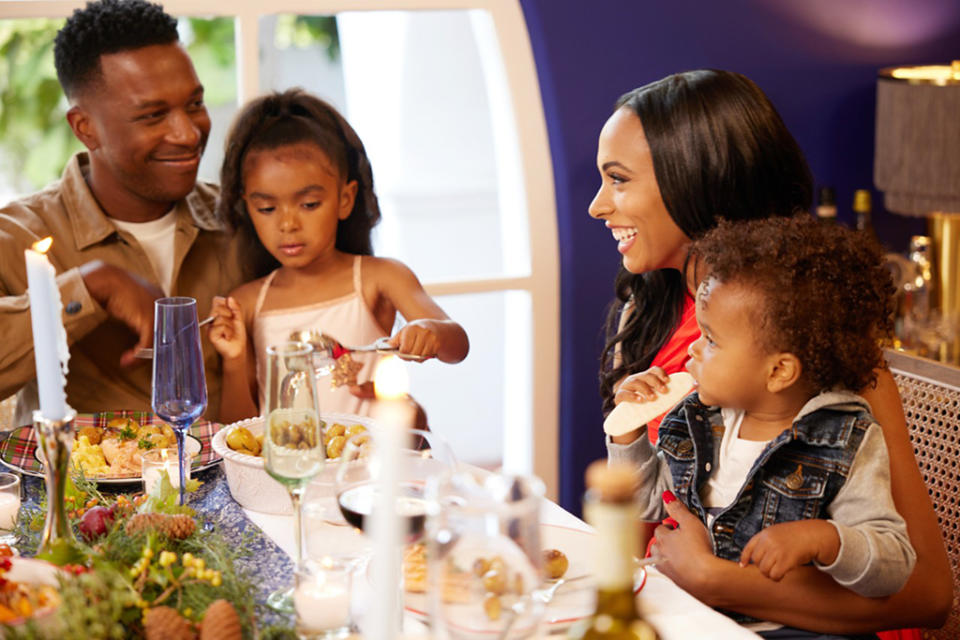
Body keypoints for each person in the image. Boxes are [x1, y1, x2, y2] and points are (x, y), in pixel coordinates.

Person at [590, 69, 951, 634]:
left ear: (697, 179)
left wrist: (718, 581)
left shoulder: (813, 341)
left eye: (618, 180)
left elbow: (927, 595)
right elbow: (652, 537)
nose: (597, 206)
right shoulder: (647, 317)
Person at [613, 216, 915, 638]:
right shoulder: (695, 419)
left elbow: (894, 565)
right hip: (695, 622)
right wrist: (627, 432)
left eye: (711, 340)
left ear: (778, 371)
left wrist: (825, 538)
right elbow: (647, 504)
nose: (693, 349)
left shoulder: (845, 440)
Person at [0, 0, 243, 423]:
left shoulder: (244, 222)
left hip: (235, 486)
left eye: (194, 104)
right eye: (153, 116)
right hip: (79, 488)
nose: (188, 134)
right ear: (84, 128)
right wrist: (88, 287)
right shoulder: (20, 236)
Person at [207, 89, 470, 423]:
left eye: (309, 204)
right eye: (267, 208)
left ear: (345, 199)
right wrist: (233, 359)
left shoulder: (381, 278)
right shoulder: (244, 303)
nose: (288, 223)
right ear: (248, 207)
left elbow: (457, 345)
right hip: (288, 474)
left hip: (370, 469)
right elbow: (236, 430)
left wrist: (430, 330)